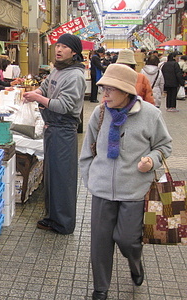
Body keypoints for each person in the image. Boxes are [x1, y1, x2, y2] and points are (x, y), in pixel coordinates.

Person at [79, 63, 172, 300]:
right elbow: (87, 151)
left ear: (126, 91)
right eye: (103, 89)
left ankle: (135, 262)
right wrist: (90, 178)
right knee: (100, 243)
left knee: (127, 239)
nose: (105, 95)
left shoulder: (150, 114)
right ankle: (101, 288)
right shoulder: (100, 113)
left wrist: (151, 160)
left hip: (134, 190)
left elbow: (164, 145)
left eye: (111, 90)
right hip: (102, 190)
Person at [22, 33, 86, 235]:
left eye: (64, 47)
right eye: (57, 45)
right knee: (51, 177)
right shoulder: (57, 70)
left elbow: (65, 106)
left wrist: (38, 99)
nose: (58, 49)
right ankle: (52, 218)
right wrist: (37, 93)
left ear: (74, 52)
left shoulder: (75, 76)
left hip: (64, 130)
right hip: (52, 128)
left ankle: (64, 223)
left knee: (62, 178)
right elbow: (44, 86)